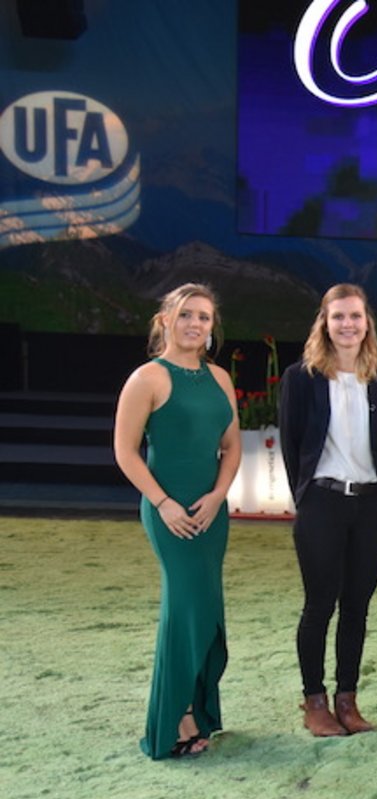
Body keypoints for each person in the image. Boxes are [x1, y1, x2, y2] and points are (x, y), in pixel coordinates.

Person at [113, 283, 240, 760]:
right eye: (186, 314)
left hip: (211, 511)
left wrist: (218, 496)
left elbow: (230, 448)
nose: (195, 324)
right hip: (169, 513)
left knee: (206, 611)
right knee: (184, 611)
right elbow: (125, 453)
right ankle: (176, 719)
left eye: (205, 317)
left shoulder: (220, 379)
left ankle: (200, 710)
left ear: (212, 327)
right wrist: (164, 502)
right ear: (165, 320)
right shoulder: (147, 378)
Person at [279, 284, 377, 737]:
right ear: (324, 324)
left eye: (356, 316)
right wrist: (306, 499)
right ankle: (315, 701)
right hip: (322, 504)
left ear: (367, 323)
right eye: (338, 317)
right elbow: (291, 445)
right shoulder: (300, 378)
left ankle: (348, 701)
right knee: (319, 605)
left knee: (357, 607)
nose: (348, 325)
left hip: (370, 506)